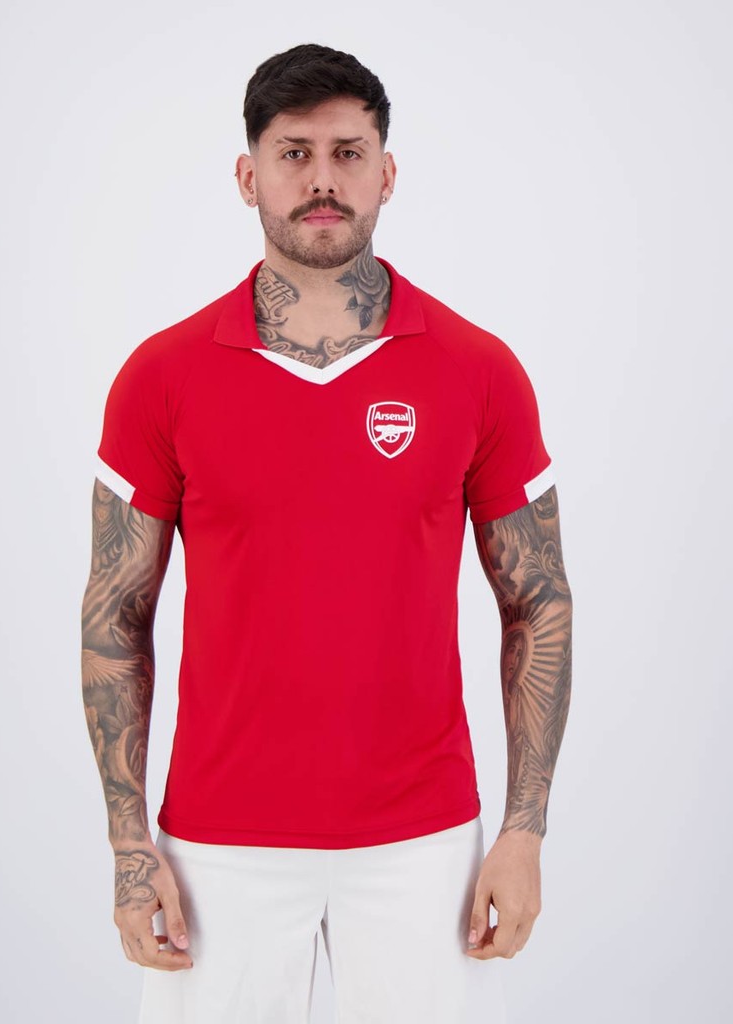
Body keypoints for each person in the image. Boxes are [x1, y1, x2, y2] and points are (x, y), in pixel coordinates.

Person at [81, 43, 573, 1024]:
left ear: (386, 173)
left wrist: (523, 832)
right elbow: (114, 618)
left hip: (423, 842)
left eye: (348, 152)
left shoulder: (478, 369)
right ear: (247, 175)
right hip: (218, 843)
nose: (321, 179)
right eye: (293, 153)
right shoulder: (162, 376)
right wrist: (131, 848)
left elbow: (538, 602)